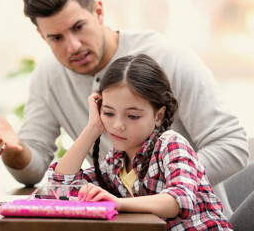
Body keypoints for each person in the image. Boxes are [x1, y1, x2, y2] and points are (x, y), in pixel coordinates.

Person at [0, 0, 248, 217]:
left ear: (98, 12)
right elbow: (43, 175)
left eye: (78, 27)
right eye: (56, 38)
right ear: (41, 37)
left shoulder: (169, 56)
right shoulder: (112, 162)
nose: (73, 46)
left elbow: (233, 146)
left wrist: (154, 179)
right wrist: (13, 147)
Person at [48, 54, 232, 230]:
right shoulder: (116, 160)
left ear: (158, 116)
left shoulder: (171, 144)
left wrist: (119, 203)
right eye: (109, 113)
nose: (118, 125)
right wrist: (93, 128)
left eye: (133, 116)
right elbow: (60, 186)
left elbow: (179, 200)